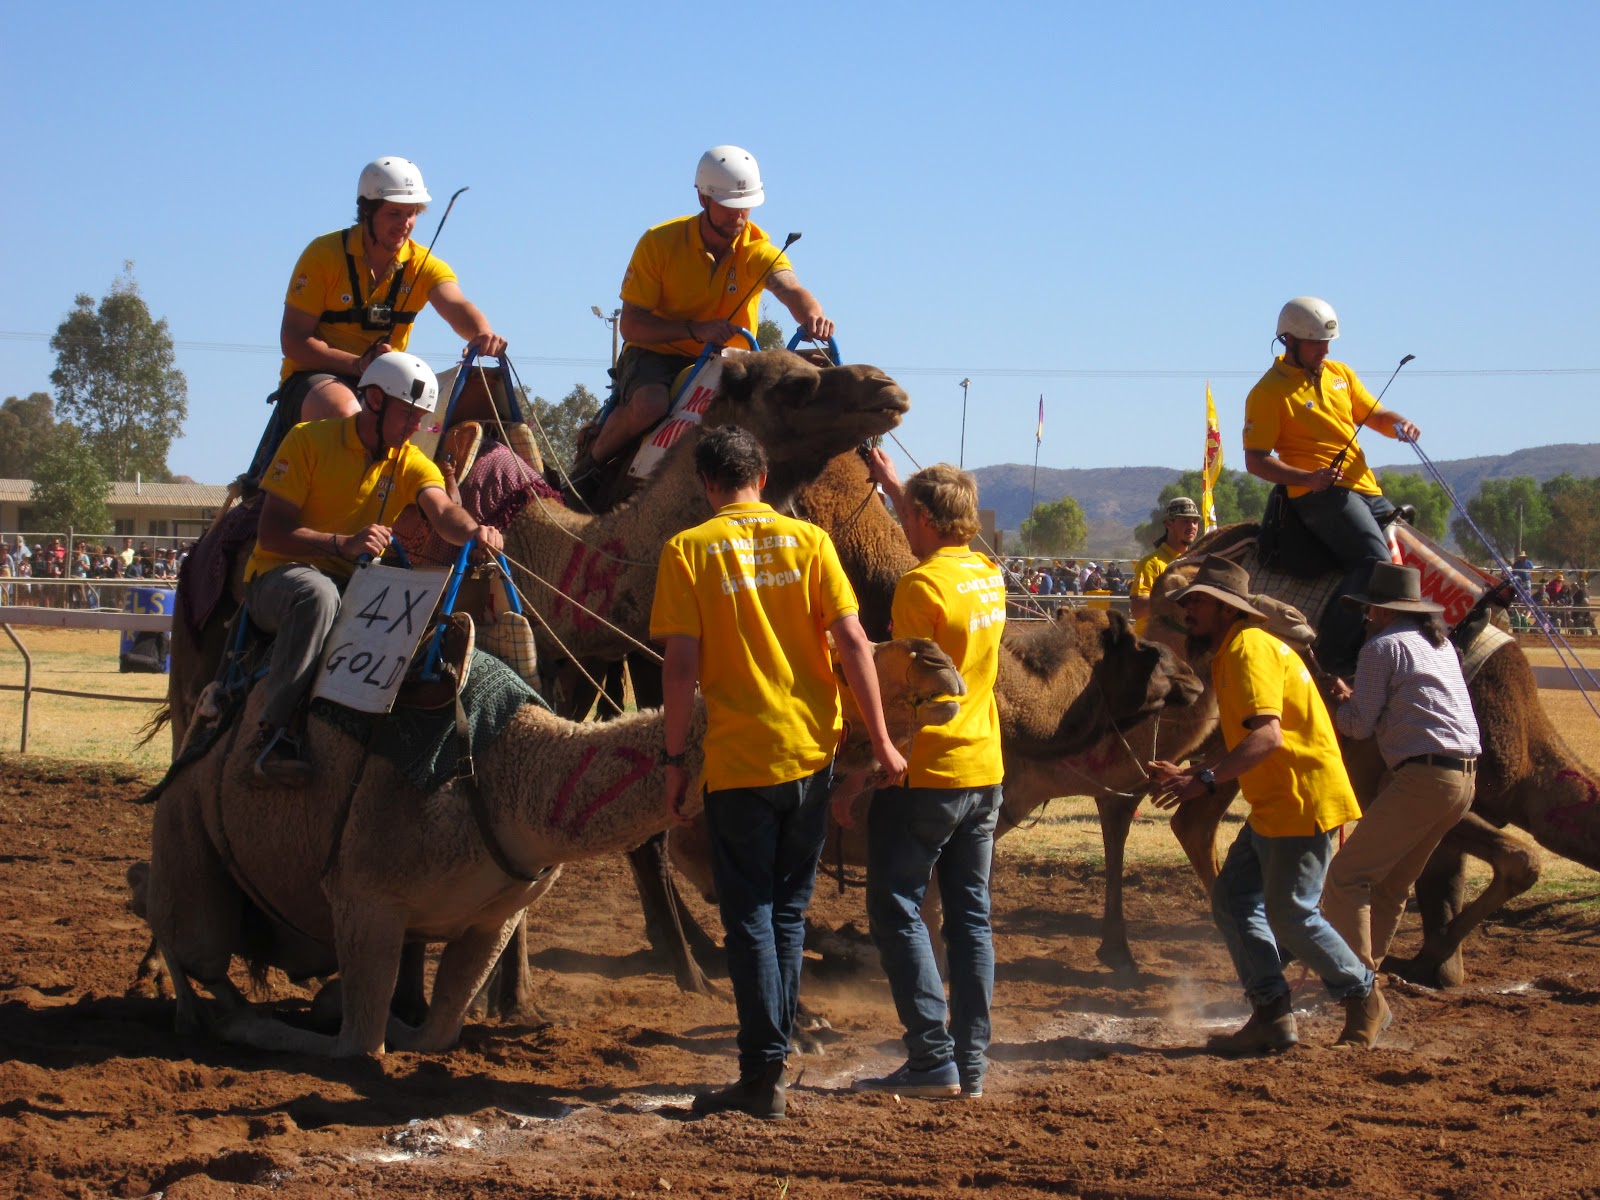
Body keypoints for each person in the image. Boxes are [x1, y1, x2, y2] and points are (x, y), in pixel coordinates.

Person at [650, 424, 905, 1119]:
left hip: (740, 761)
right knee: (788, 912)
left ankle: (762, 1073)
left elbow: (680, 666)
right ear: (762, 479)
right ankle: (775, 1055)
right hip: (811, 755)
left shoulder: (688, 550)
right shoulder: (811, 542)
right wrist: (882, 741)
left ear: (707, 484)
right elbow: (854, 642)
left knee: (750, 919)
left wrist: (673, 761)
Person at [243, 351, 504, 786]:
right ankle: (274, 736)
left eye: (421, 417)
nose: (416, 427)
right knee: (319, 595)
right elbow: (271, 535)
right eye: (409, 414)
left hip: (356, 583)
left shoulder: (410, 461)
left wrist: (475, 530)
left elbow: (443, 512)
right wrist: (342, 544)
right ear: (376, 401)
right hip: (280, 576)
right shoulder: (308, 441)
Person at [1148, 555, 1376, 1055]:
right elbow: (1245, 740)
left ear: (1228, 609)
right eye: (1188, 602)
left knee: (1292, 914)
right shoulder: (1237, 651)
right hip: (1278, 803)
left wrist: (1205, 780)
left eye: (1199, 602)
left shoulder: (1249, 650)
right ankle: (1272, 1014)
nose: (1189, 611)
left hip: (1300, 800)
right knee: (1233, 899)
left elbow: (1268, 738)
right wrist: (1192, 773)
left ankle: (1363, 995)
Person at [850, 451, 1006, 1101]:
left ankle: (930, 1056)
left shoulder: (919, 588)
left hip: (929, 771)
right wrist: (895, 486)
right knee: (970, 916)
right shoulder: (988, 573)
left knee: (895, 904)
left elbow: (912, 689)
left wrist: (867, 765)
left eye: (906, 514)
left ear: (920, 516)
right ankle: (969, 1063)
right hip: (984, 769)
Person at [248, 157, 507, 480]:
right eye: (394, 213)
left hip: (390, 387)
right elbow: (294, 341)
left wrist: (482, 332)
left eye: (412, 213)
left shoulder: (423, 264)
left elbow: (456, 304)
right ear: (367, 210)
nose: (405, 223)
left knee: (444, 433)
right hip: (314, 380)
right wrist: (359, 365)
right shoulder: (323, 255)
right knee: (349, 416)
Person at [584, 146, 834, 467]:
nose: (738, 215)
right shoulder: (659, 243)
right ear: (703, 199)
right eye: (729, 205)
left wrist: (813, 317)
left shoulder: (758, 250)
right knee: (650, 406)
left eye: (745, 206)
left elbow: (790, 289)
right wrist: (696, 330)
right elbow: (631, 326)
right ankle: (588, 472)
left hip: (730, 364)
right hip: (656, 355)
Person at [1322, 563, 1479, 1045]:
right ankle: (1369, 982)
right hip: (1461, 779)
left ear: (1383, 611)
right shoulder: (1439, 645)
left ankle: (1362, 993)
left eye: (1370, 609)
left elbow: (1358, 726)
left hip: (1424, 776)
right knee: (1390, 885)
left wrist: (1337, 702)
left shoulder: (1381, 647)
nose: (1367, 617)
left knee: (1346, 877)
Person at [1242, 297, 1421, 677]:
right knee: (1373, 560)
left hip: (1366, 487)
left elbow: (1375, 415)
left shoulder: (1341, 374)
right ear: (1289, 341)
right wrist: (1307, 478)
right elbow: (1255, 460)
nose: (1325, 351)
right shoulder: (1268, 392)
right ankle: (1334, 659)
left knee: (1413, 555)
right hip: (1318, 494)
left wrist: (1399, 425)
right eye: (1316, 343)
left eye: (1328, 343)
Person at [1130, 496, 1202, 636]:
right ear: (1169, 524)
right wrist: (1180, 602)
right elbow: (1137, 609)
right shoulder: (1152, 563)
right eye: (1185, 521)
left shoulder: (1196, 563)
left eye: (1195, 521)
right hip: (1150, 644)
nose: (1192, 526)